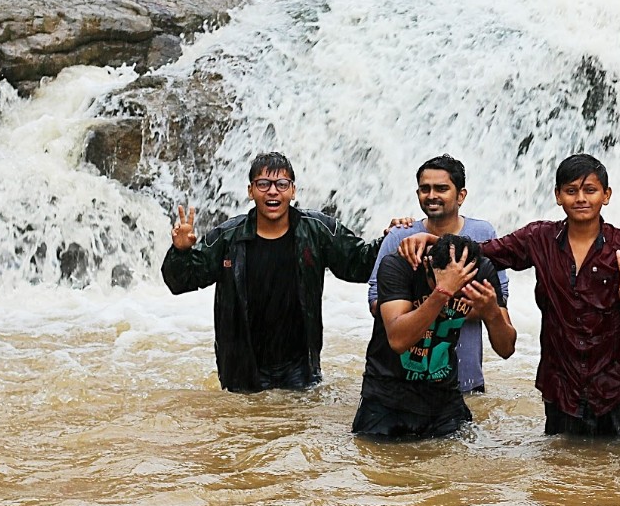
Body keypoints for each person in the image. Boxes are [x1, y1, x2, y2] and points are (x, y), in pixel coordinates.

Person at [401, 153, 620, 438]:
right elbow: (484, 251)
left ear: (606, 195)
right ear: (558, 196)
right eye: (571, 191)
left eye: (590, 190)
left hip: (616, 388)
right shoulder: (539, 238)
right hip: (561, 388)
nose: (581, 198)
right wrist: (435, 240)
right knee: (560, 475)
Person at [161, 151, 380, 392]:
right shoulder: (227, 237)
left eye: (281, 184)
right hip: (242, 368)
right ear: (250, 190)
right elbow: (181, 281)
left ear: (293, 191)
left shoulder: (317, 231)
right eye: (263, 184)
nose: (273, 191)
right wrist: (180, 251)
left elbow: (360, 263)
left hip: (299, 368)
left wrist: (394, 238)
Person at [354, 235, 516, 440]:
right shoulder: (399, 265)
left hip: (444, 398)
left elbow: (506, 349)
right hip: (387, 398)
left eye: (461, 288)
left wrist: (492, 313)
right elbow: (398, 340)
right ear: (427, 265)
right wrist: (442, 292)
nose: (455, 294)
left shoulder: (481, 270)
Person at [371, 155, 509, 394]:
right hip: (406, 384)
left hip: (467, 380)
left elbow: (497, 301)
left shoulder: (482, 232)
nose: (432, 195)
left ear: (461, 195)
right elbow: (375, 303)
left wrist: (427, 304)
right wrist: (453, 301)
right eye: (425, 189)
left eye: (441, 188)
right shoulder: (399, 237)